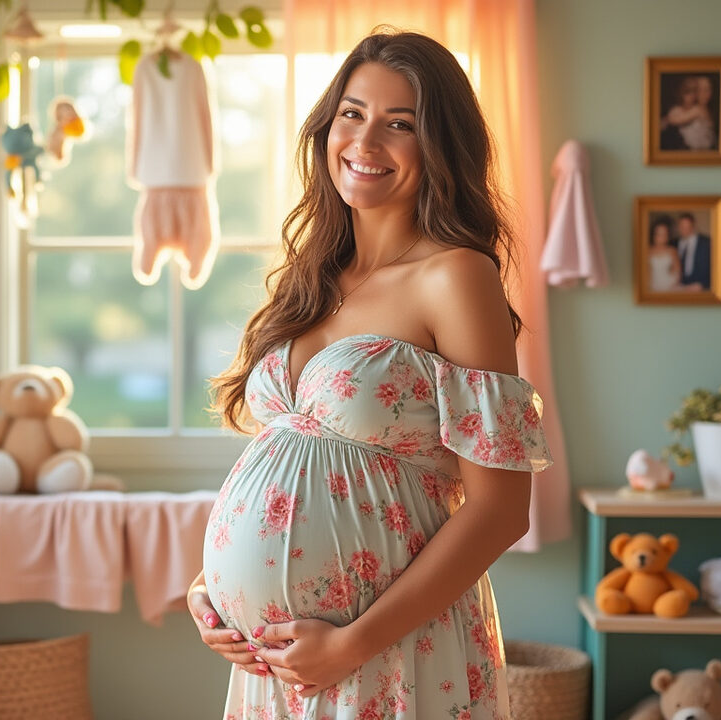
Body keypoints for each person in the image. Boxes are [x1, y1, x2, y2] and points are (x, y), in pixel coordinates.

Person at [186, 30, 553, 719]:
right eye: (352, 114)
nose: (365, 140)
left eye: (400, 124)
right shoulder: (311, 280)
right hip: (276, 665)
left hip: (387, 654)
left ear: (439, 145)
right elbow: (293, 466)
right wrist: (210, 588)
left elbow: (500, 511)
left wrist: (351, 644)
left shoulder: (454, 276)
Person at [672, 212, 711, 292]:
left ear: (693, 226)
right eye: (682, 226)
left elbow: (714, 267)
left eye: (687, 226)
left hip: (700, 288)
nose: (684, 230)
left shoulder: (706, 243)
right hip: (679, 288)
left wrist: (702, 284)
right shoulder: (673, 243)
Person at [647, 217, 681, 292]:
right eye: (658, 234)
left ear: (668, 236)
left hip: (670, 286)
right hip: (652, 286)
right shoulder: (647, 251)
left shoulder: (672, 251)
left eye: (664, 234)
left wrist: (672, 285)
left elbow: (677, 272)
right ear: (653, 235)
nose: (661, 237)